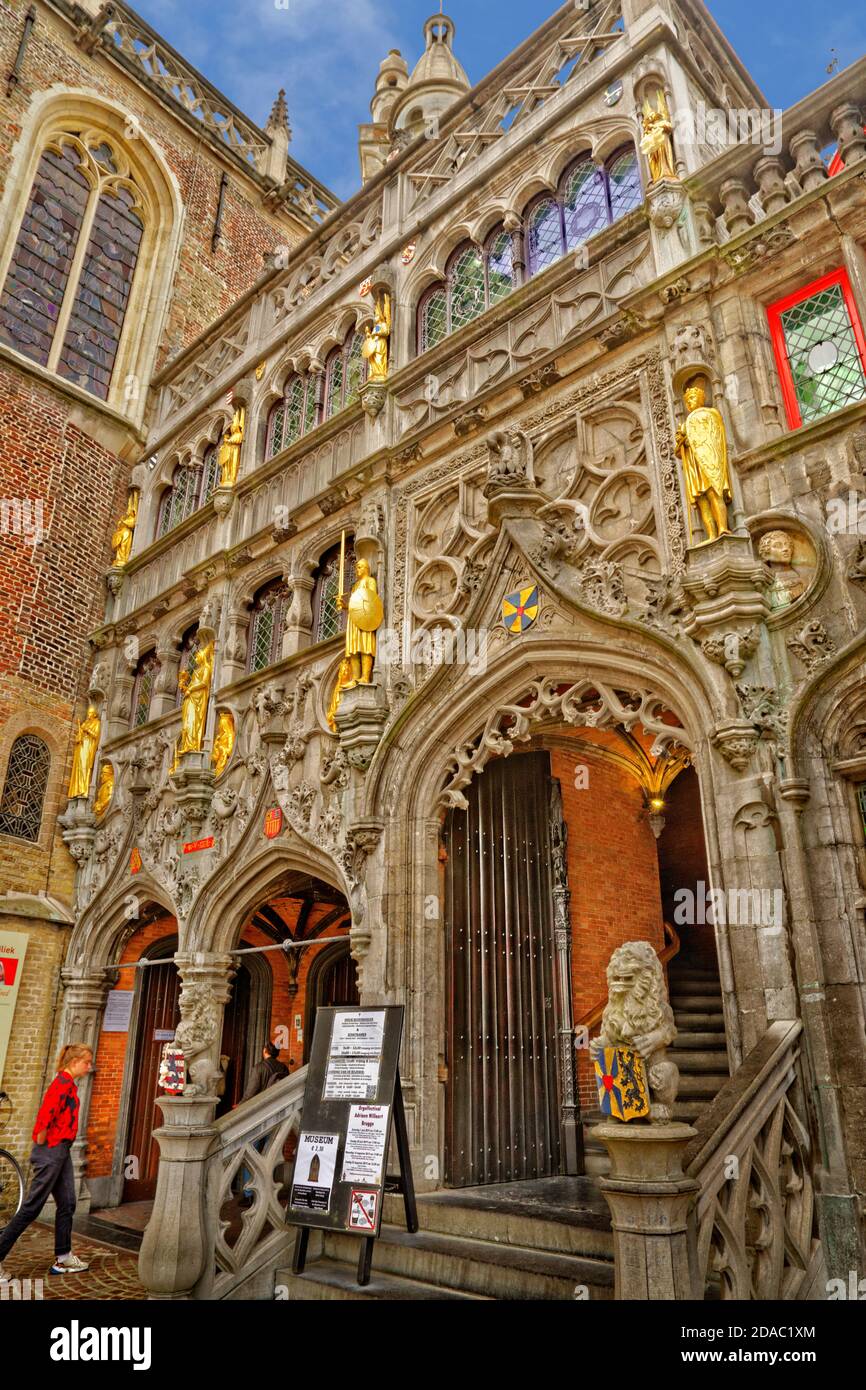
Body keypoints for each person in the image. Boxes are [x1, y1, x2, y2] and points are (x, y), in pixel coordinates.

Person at [0, 1043, 93, 1281]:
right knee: (31, 1207)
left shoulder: (69, 1085)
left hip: (60, 1152)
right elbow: (44, 1117)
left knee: (68, 1203)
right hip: (52, 1152)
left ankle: (64, 1258)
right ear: (74, 1063)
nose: (90, 1067)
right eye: (87, 1062)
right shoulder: (61, 1084)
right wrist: (45, 1143)